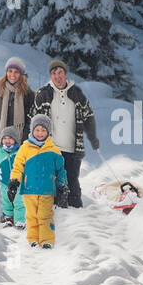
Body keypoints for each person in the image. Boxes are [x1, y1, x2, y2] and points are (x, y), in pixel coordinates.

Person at [32, 59, 97, 207]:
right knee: (52, 188)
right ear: (51, 76)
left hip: (73, 149)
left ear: (65, 74)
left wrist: (93, 137)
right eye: (54, 73)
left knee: (73, 187)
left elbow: (88, 116)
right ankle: (55, 221)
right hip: (51, 149)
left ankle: (76, 220)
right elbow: (33, 119)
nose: (57, 76)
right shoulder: (43, 94)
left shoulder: (77, 94)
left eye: (60, 72)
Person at [7, 114, 69, 249]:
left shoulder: (54, 151)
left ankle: (47, 240)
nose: (40, 133)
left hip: (47, 190)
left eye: (43, 130)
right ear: (32, 130)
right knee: (31, 216)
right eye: (37, 130)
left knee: (45, 215)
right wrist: (14, 181)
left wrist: (62, 186)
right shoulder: (25, 148)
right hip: (29, 190)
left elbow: (60, 171)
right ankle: (33, 239)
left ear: (48, 132)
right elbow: (18, 166)